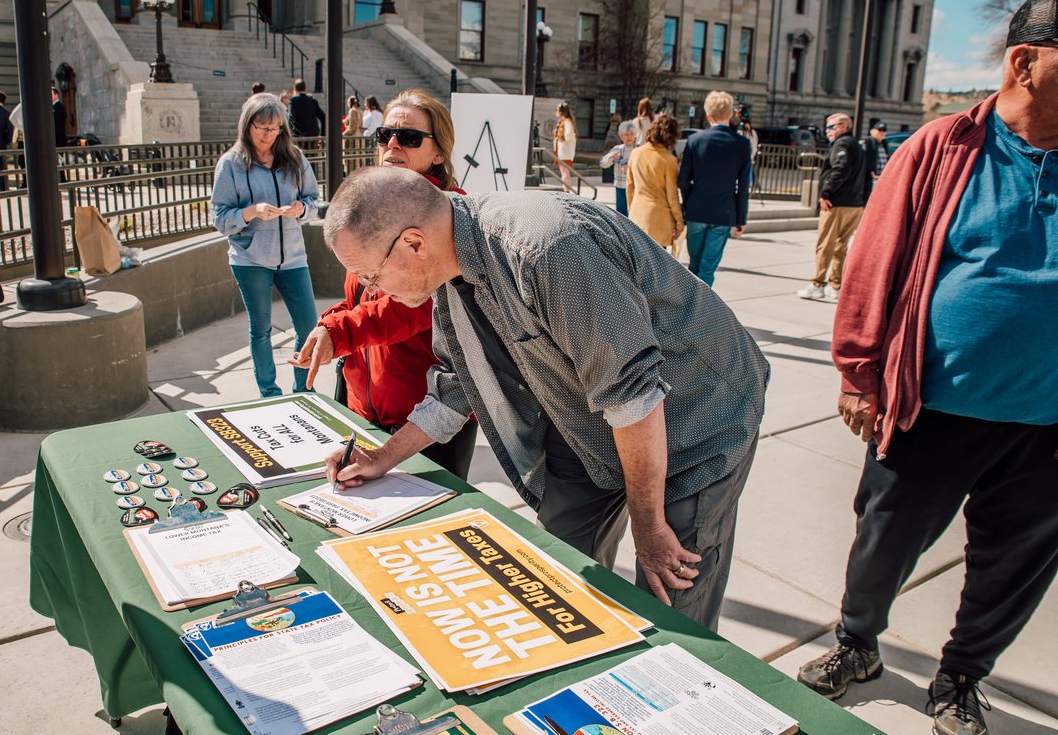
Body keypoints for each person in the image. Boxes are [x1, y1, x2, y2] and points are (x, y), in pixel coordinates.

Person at [321, 166, 770, 631]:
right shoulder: (448, 274)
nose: (372, 291)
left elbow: (633, 399)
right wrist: (383, 457)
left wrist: (649, 526)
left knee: (671, 601)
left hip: (696, 418)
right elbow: (458, 385)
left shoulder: (546, 250)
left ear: (414, 243)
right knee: (554, 578)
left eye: (368, 275)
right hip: (587, 420)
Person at [795, 0, 1058, 735]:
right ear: (1025, 62)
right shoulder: (943, 149)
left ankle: (961, 676)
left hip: (1047, 428)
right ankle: (857, 644)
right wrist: (858, 371)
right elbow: (874, 263)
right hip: (932, 408)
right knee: (882, 542)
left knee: (1013, 570)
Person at [289, 89, 478, 479]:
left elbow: (411, 307)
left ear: (439, 153)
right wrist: (330, 325)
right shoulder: (372, 204)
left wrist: (341, 331)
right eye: (384, 135)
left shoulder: (447, 215)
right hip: (364, 401)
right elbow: (357, 295)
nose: (393, 143)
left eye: (409, 137)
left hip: (426, 417)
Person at [211, 93, 320, 397]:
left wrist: (302, 209)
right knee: (261, 329)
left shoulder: (295, 158)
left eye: (274, 129)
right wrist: (251, 212)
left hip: (294, 257)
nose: (268, 136)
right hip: (250, 259)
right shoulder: (231, 164)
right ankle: (269, 393)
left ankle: (303, 391)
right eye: (262, 128)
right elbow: (220, 217)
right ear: (247, 126)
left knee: (309, 327)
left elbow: (314, 199)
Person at [677, 90, 751, 287]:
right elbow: (743, 186)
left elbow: (683, 179)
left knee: (694, 265)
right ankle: (702, 312)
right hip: (723, 212)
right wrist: (741, 218)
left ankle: (689, 309)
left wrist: (689, 201)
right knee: (708, 268)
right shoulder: (742, 144)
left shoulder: (695, 141)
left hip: (697, 209)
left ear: (708, 115)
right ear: (730, 114)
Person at [796, 112, 866, 302]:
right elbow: (866, 174)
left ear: (843, 126)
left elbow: (840, 169)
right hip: (854, 203)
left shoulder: (842, 144)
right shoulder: (857, 145)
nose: (827, 131)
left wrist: (826, 193)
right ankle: (835, 286)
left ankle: (818, 284)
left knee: (825, 245)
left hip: (836, 203)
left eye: (831, 127)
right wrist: (863, 201)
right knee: (840, 246)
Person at [626, 114, 683, 251]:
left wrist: (631, 210)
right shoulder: (669, 160)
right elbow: (672, 196)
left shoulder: (636, 154)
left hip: (637, 215)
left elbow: (629, 187)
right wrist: (679, 222)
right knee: (657, 266)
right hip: (659, 220)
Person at [600, 119, 638, 216]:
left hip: (635, 187)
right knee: (621, 214)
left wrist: (629, 168)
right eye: (626, 134)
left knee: (633, 213)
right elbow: (603, 164)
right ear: (621, 136)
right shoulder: (617, 149)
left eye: (631, 134)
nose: (629, 137)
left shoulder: (639, 150)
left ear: (635, 135)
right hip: (620, 186)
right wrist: (611, 157)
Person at [860, 121, 889, 200]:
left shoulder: (883, 144)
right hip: (870, 178)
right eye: (879, 130)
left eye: (883, 131)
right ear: (872, 131)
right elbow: (862, 159)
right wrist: (870, 170)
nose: (881, 133)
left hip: (880, 177)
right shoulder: (867, 142)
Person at [553, 101, 577, 193]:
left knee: (565, 172)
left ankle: (566, 190)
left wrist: (561, 138)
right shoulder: (564, 122)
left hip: (565, 152)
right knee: (564, 172)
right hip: (563, 152)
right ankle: (566, 189)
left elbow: (569, 135)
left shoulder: (567, 122)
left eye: (557, 110)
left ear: (561, 111)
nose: (556, 112)